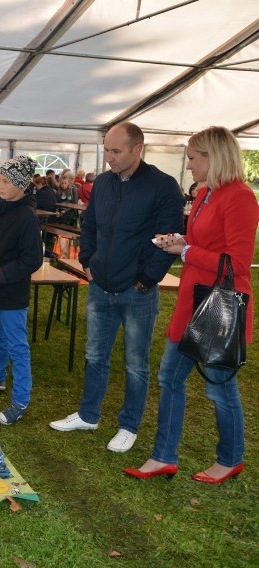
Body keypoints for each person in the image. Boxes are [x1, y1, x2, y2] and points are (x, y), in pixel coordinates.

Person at [123, 126, 258, 483]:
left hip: (219, 308)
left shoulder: (240, 197)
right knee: (169, 378)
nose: (189, 164)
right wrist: (181, 241)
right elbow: (203, 243)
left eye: (194, 158)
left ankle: (230, 459)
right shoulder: (205, 193)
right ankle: (163, 456)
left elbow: (237, 265)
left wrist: (186, 250)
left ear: (214, 157)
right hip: (192, 302)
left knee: (219, 387)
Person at [50, 121, 185, 452]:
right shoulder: (105, 183)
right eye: (106, 150)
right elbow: (91, 224)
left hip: (137, 292)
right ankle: (88, 414)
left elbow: (171, 237)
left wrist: (146, 280)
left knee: (135, 362)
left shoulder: (163, 186)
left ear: (137, 149)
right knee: (95, 354)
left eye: (115, 151)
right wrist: (88, 263)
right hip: (100, 285)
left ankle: (129, 425)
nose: (108, 157)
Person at [0, 156, 42, 425]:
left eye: (5, 181)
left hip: (11, 294)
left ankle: (21, 400)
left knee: (17, 345)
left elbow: (32, 259)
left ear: (21, 184)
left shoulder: (26, 217)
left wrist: (2, 274)